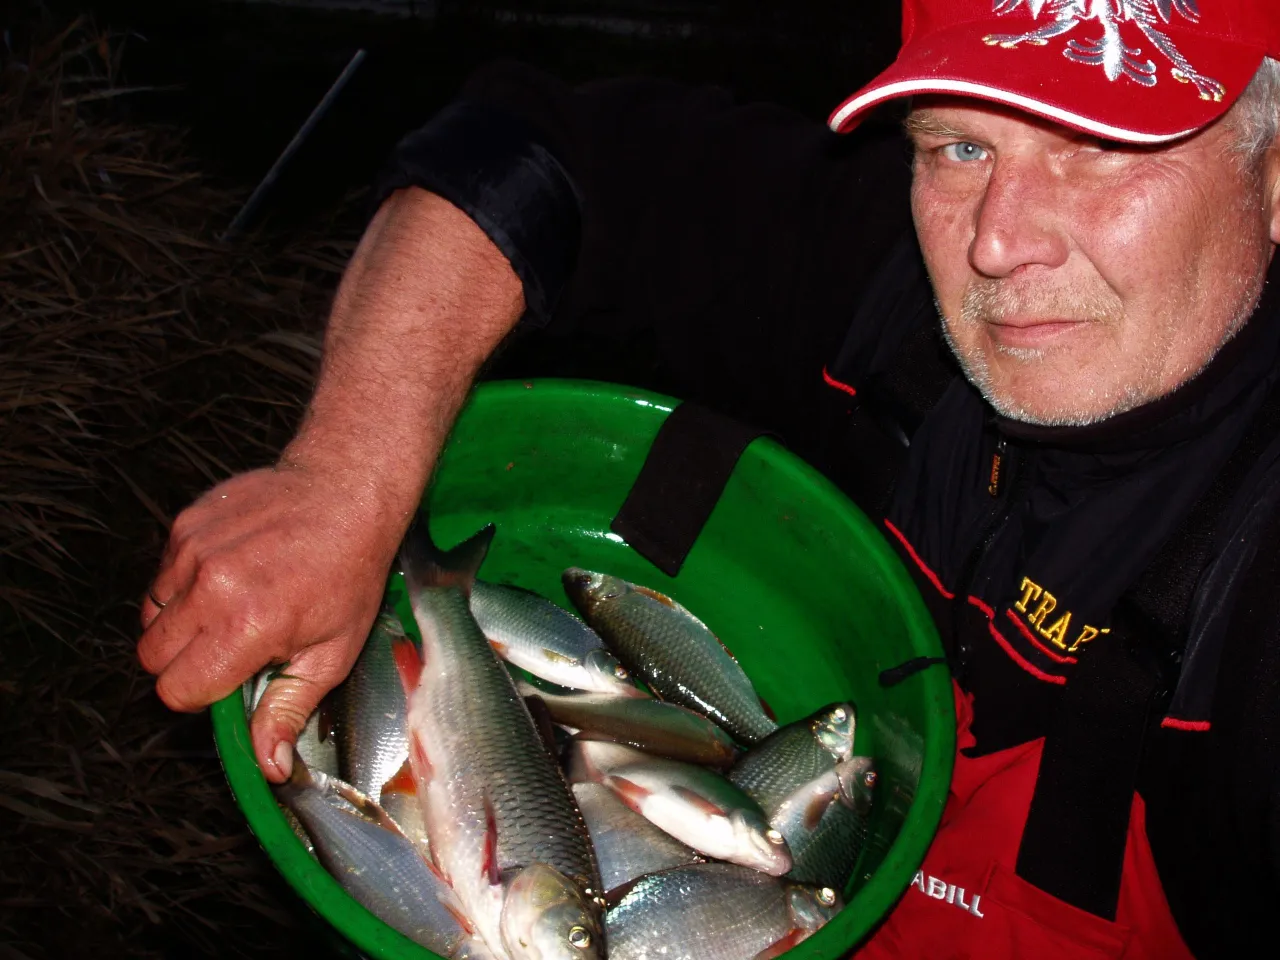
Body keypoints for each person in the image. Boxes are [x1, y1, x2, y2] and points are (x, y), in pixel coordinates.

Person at [137, 0, 1280, 955]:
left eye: (1095, 145)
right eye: (957, 146)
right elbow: (533, 150)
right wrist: (342, 476)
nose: (997, 239)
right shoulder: (872, 267)